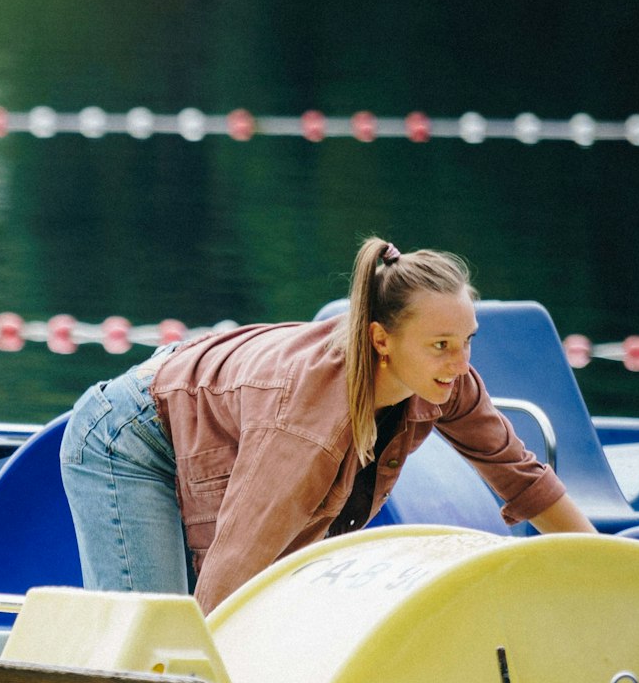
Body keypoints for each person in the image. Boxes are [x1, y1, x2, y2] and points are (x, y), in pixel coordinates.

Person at [60, 236, 594, 614]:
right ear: (381, 341)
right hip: (128, 438)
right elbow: (232, 579)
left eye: (467, 341)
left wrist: (612, 571)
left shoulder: (451, 382)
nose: (460, 363)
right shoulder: (305, 426)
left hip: (214, 405)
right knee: (157, 644)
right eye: (440, 346)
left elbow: (523, 479)